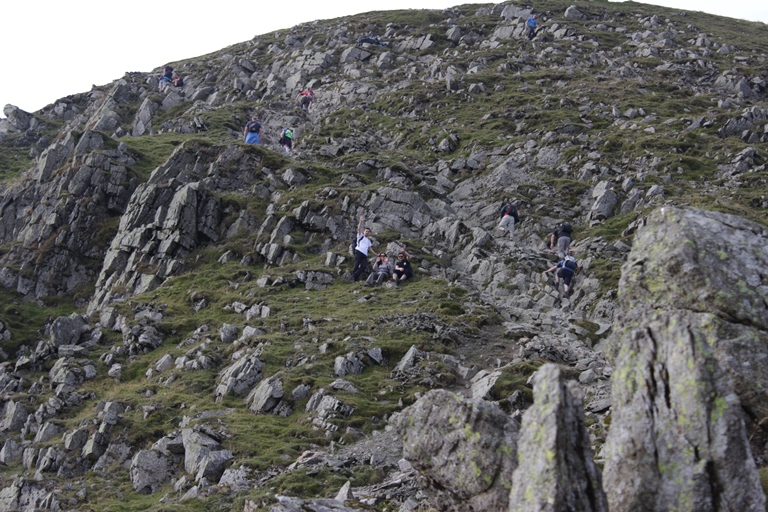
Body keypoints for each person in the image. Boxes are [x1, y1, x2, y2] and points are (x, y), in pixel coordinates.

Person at [351, 215, 372, 282]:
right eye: (366, 231)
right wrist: (360, 221)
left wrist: (376, 254)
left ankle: (355, 275)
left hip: (364, 254)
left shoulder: (368, 241)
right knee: (356, 264)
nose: (367, 232)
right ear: (364, 232)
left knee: (364, 266)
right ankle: (354, 278)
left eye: (368, 231)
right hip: (359, 251)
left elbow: (370, 249)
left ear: (369, 233)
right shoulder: (360, 236)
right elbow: (359, 229)